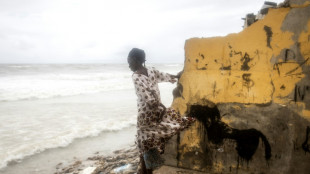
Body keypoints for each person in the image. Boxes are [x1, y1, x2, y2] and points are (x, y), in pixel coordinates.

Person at [127, 48, 195, 174]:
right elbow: (164, 76)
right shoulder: (151, 71)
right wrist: (176, 76)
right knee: (150, 141)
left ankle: (146, 170)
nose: (129, 64)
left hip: (146, 115)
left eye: (129, 61)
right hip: (157, 112)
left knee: (144, 143)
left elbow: (147, 98)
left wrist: (160, 106)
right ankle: (147, 169)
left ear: (136, 60)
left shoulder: (136, 76)